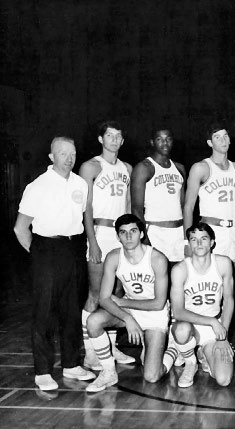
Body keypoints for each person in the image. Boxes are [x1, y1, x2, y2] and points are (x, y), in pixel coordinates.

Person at [14, 136, 96, 390]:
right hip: (46, 249)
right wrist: (39, 255)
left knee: (72, 309)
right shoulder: (38, 186)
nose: (69, 158)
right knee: (44, 312)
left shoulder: (81, 184)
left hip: (73, 247)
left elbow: (83, 216)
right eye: (62, 153)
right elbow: (20, 228)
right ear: (52, 157)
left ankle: (71, 366)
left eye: (72, 153)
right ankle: (42, 371)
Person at [85, 214, 176, 392]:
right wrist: (127, 318)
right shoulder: (113, 257)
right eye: (123, 232)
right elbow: (104, 298)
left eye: (133, 231)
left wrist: (124, 304)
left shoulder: (157, 259)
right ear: (118, 236)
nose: (128, 237)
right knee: (93, 321)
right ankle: (108, 372)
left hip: (155, 315)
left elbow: (158, 303)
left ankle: (172, 349)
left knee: (152, 376)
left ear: (141, 234)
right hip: (130, 311)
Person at [79, 121, 135, 369]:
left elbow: (130, 206)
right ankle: (91, 352)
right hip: (101, 232)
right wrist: (92, 241)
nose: (114, 139)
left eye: (118, 136)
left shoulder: (127, 168)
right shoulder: (90, 166)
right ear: (101, 139)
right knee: (95, 293)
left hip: (121, 234)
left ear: (122, 141)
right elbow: (86, 208)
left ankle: (111, 348)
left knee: (118, 294)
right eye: (109, 135)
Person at [169, 222, 235, 388]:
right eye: (194, 239)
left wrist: (222, 336)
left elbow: (229, 300)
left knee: (223, 379)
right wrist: (212, 322)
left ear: (212, 242)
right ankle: (190, 362)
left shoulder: (223, 263)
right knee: (182, 330)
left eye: (203, 238)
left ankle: (201, 353)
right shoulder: (180, 269)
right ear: (189, 243)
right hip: (189, 325)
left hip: (214, 326)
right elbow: (177, 312)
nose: (198, 243)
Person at [184, 123, 235, 263]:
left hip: (232, 231)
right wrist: (187, 241)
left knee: (229, 281)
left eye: (225, 136)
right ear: (210, 143)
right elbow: (188, 207)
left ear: (230, 139)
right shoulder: (201, 168)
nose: (223, 141)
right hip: (211, 232)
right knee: (210, 280)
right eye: (217, 137)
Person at [130, 129, 186, 264]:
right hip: (155, 233)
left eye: (168, 139)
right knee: (156, 281)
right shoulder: (144, 167)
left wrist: (186, 237)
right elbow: (136, 209)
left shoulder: (179, 168)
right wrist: (144, 239)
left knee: (178, 280)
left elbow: (183, 206)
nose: (164, 143)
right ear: (152, 142)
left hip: (177, 233)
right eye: (159, 139)